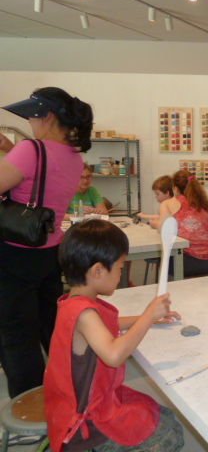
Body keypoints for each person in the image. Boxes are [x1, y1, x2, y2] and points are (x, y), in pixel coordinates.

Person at [44, 219, 184, 452]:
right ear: (98, 270)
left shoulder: (73, 303)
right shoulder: (84, 313)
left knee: (163, 415)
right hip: (84, 423)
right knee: (170, 436)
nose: (121, 274)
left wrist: (146, 319)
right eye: (120, 268)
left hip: (82, 404)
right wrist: (148, 316)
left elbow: (104, 326)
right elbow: (113, 355)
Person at [0, 87, 93, 398]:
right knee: (50, 327)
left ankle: (30, 406)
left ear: (47, 115)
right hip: (49, 253)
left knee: (17, 336)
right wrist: (10, 149)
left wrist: (12, 151)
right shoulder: (74, 158)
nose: (30, 122)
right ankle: (66, 391)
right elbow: (40, 176)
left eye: (32, 116)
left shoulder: (30, 150)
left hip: (13, 254)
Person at [159, 170, 208, 277]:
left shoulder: (168, 203)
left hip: (187, 261)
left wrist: (154, 224)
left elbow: (164, 228)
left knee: (161, 258)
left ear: (175, 188)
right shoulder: (202, 203)